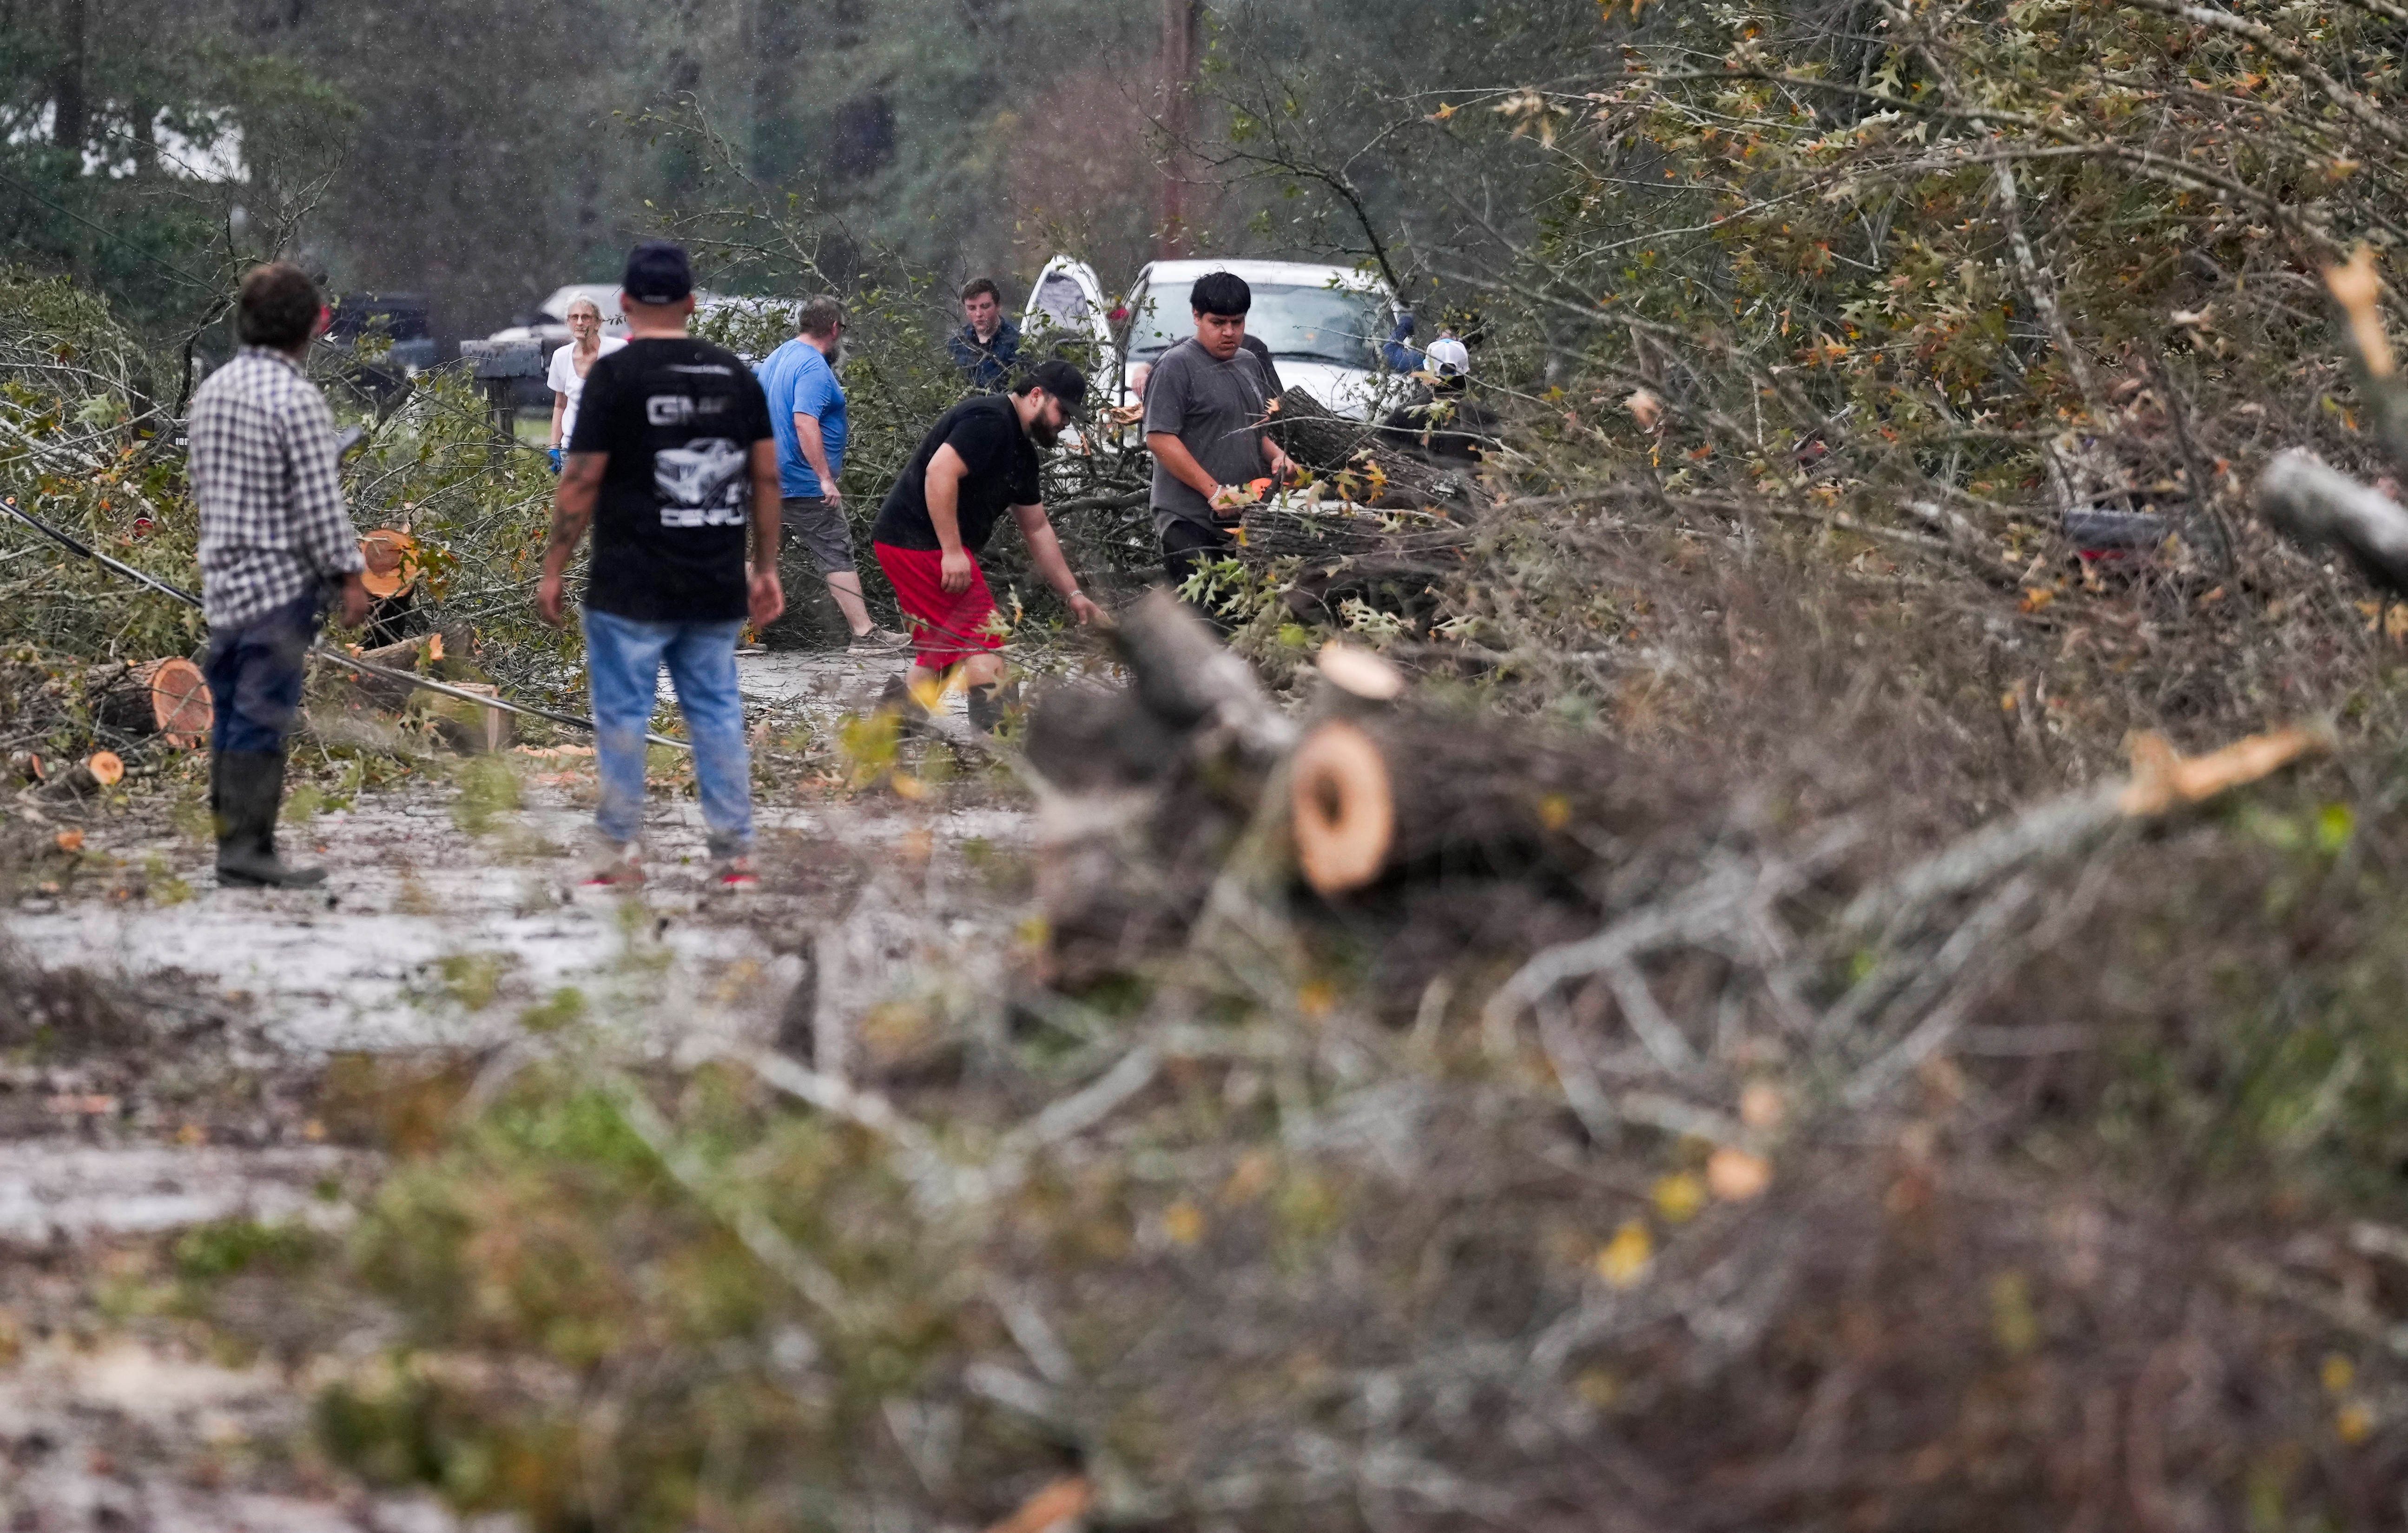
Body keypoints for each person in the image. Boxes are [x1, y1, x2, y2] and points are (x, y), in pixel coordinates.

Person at [536, 241, 783, 890]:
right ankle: (735, 856)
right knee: (716, 712)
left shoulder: (613, 378)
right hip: (713, 579)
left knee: (623, 714)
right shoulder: (734, 375)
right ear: (691, 304)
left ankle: (620, 851)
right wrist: (766, 566)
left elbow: (582, 478)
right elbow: (766, 478)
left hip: (629, 584)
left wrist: (554, 565)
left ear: (623, 307)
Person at [190, 262, 372, 888]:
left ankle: (234, 843)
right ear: (308, 329)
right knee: (261, 714)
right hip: (277, 588)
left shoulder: (211, 391)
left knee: (231, 709)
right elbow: (321, 509)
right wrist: (350, 576)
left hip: (223, 582)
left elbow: (208, 488)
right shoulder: (296, 399)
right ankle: (248, 851)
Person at [870, 358, 1104, 730]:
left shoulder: (1022, 453)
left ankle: (881, 742)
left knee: (942, 653)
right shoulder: (990, 421)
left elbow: (1038, 528)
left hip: (912, 543)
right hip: (917, 541)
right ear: (1037, 395)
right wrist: (951, 551)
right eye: (1063, 412)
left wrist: (1073, 593)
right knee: (985, 641)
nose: (1065, 424)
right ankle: (1000, 749)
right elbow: (939, 473)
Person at [754, 295, 910, 653]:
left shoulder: (778, 357)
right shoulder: (812, 368)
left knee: (757, 554)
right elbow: (804, 420)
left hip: (763, 478)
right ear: (835, 328)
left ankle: (733, 634)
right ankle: (864, 633)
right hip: (801, 483)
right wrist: (824, 477)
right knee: (835, 551)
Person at [1142, 270, 1296, 598]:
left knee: (1239, 624)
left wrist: (1278, 456)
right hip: (1189, 521)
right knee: (1202, 625)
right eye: (1218, 323)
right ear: (1196, 317)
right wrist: (1213, 492)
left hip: (1244, 521)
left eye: (1237, 323)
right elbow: (1158, 438)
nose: (1229, 332)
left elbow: (1254, 431)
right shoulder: (1175, 366)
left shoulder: (1249, 362)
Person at [1379, 336, 1499, 465]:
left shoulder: (1404, 415)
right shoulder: (1486, 418)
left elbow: (1378, 453)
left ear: (1428, 373)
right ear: (1467, 373)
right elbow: (1496, 470)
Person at [546, 295, 625, 472]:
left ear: (598, 323)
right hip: (573, 449)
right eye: (574, 317)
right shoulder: (561, 356)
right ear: (568, 322)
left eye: (586, 317)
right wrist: (554, 447)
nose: (580, 322)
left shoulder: (618, 351)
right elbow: (560, 405)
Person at [947, 277, 1022, 390]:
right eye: (972, 308)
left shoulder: (1017, 344)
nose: (978, 314)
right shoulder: (957, 344)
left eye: (985, 306)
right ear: (965, 310)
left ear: (998, 307)